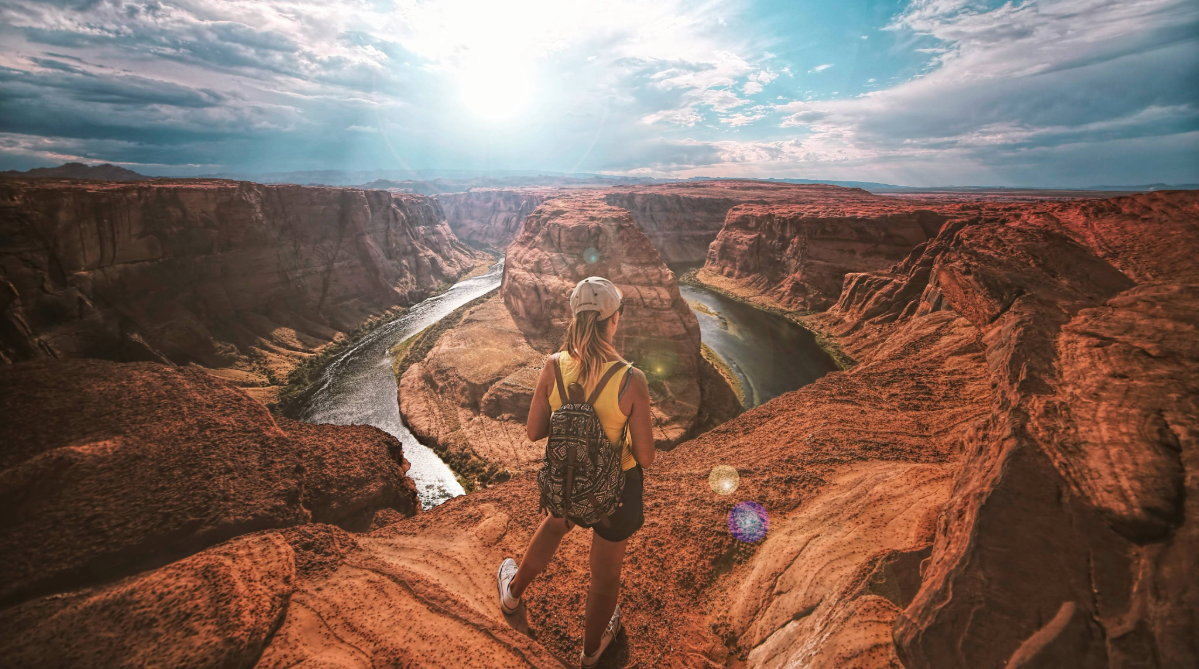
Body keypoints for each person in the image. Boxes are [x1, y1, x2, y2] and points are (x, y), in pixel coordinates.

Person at [496, 276, 655, 667]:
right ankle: (590, 653)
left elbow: (534, 432)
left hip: (568, 479)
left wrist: (574, 428)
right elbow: (647, 457)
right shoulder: (631, 379)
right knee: (604, 576)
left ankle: (513, 593)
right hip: (615, 492)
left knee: (555, 523)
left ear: (575, 318)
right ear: (613, 319)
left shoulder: (553, 365)